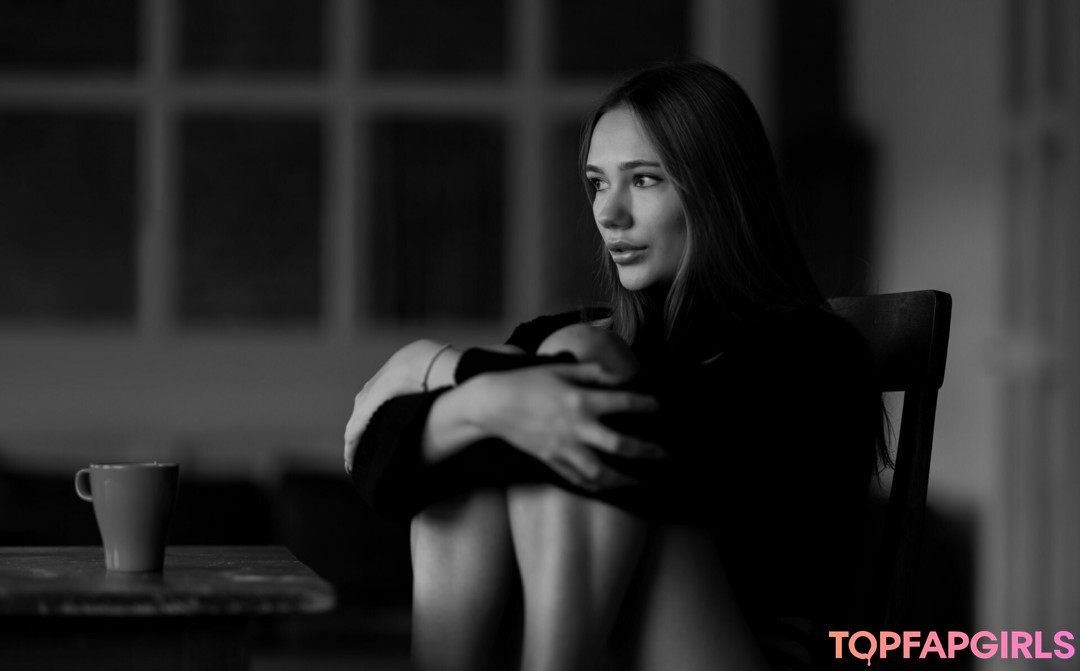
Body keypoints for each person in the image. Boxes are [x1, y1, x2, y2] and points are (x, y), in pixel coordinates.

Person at [344, 60, 886, 671]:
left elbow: (677, 478)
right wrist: (482, 399)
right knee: (525, 410)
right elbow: (380, 474)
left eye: (645, 180)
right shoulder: (555, 338)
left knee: (574, 369)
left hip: (738, 650)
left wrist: (438, 369)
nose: (610, 214)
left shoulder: (815, 354)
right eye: (598, 183)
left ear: (721, 190)